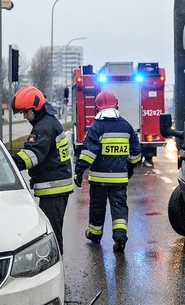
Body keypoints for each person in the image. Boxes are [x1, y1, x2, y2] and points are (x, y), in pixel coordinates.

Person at [73, 90, 142, 253]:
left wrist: (79, 171)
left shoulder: (96, 127)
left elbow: (88, 152)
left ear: (97, 108)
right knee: (119, 207)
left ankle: (95, 235)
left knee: (97, 207)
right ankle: (120, 237)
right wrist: (129, 168)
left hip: (98, 180)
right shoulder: (126, 126)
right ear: (116, 104)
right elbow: (137, 153)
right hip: (119, 180)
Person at [10, 86, 73, 255]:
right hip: (56, 186)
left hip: (54, 188)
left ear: (35, 107)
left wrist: (9, 163)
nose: (25, 116)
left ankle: (55, 268)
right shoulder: (48, 122)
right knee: (51, 230)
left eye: (26, 112)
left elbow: (33, 155)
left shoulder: (44, 127)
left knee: (51, 233)